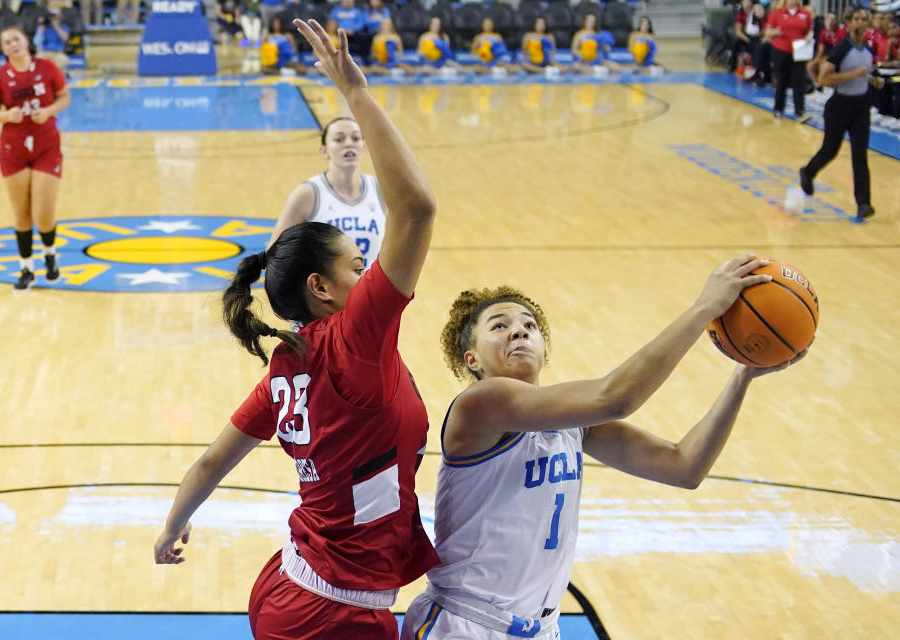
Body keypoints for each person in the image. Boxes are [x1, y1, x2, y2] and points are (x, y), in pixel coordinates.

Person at [154, 19, 439, 640]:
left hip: (292, 582)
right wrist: (354, 92)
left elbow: (208, 465)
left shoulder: (287, 363)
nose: (368, 269)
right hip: (334, 614)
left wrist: (172, 529)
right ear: (321, 288)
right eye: (354, 264)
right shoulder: (355, 340)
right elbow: (417, 209)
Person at [402, 255, 808, 639]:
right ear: (471, 360)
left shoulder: (574, 427)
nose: (519, 330)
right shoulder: (480, 406)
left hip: (540, 629)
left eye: (529, 324)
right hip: (464, 624)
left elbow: (684, 467)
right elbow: (615, 397)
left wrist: (743, 377)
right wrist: (704, 308)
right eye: (498, 325)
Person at [0, 25, 69, 290]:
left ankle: (50, 254)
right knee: (21, 215)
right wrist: (7, 116)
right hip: (13, 150)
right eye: (7, 42)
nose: (13, 44)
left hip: (46, 146)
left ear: (26, 41)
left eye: (16, 39)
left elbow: (64, 97)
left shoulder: (47, 68)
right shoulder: (0, 76)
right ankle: (26, 269)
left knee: (43, 214)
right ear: (2, 49)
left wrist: (48, 111)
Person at [267, 115, 385, 272]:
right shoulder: (308, 194)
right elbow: (274, 254)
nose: (349, 143)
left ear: (364, 147)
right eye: (339, 139)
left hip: (371, 291)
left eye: (355, 138)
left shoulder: (381, 189)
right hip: (327, 293)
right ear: (324, 151)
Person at [799, 8, 884, 221]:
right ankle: (808, 172)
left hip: (861, 106)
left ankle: (864, 204)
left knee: (860, 156)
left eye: (865, 19)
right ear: (850, 22)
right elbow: (823, 79)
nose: (861, 23)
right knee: (830, 150)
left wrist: (874, 81)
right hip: (839, 106)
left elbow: (865, 73)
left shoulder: (869, 49)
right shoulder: (841, 49)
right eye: (857, 19)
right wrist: (851, 75)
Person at [764, 0, 813, 122]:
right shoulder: (777, 13)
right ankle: (778, 109)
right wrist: (776, 32)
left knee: (799, 81)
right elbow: (767, 32)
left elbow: (810, 29)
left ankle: (800, 111)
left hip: (799, 50)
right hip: (781, 50)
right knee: (781, 80)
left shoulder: (805, 13)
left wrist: (809, 36)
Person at [808, 11, 839, 86]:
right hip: (826, 57)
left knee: (823, 67)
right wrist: (816, 60)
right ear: (825, 21)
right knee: (810, 66)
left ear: (836, 21)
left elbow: (840, 50)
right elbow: (821, 50)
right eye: (828, 19)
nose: (830, 22)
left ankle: (827, 88)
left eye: (832, 19)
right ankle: (818, 87)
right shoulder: (823, 32)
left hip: (837, 57)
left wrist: (825, 59)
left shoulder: (840, 32)